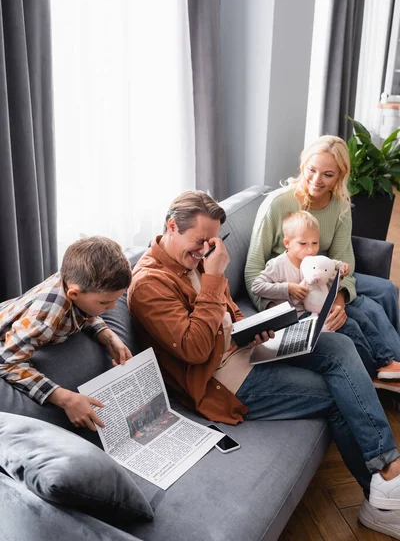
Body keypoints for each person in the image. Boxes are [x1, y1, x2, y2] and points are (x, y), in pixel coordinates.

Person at [128, 190, 400, 538]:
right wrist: (213, 276)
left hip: (245, 349)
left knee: (339, 345)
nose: (203, 251)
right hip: (222, 379)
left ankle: (388, 467)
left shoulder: (193, 258)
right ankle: (378, 499)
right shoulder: (149, 284)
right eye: (198, 241)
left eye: (210, 242)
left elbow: (228, 311)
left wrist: (252, 328)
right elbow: (195, 349)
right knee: (335, 395)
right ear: (171, 227)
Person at [245, 135, 400, 381]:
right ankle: (388, 367)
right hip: (294, 284)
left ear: (340, 175)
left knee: (386, 290)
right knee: (369, 307)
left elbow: (343, 256)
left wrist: (338, 301)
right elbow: (253, 270)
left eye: (328, 174)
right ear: (303, 166)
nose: (317, 180)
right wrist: (276, 308)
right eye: (312, 170)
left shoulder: (339, 205)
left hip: (326, 276)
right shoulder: (277, 204)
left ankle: (394, 367)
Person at [0, 236, 132, 431]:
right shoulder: (44, 320)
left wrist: (108, 335)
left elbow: (85, 311)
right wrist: (65, 398)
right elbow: (7, 362)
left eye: (116, 299)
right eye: (105, 303)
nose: (112, 307)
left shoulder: (77, 283)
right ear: (73, 294)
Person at [251, 210, 400, 380]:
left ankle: (386, 360)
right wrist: (287, 288)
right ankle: (372, 370)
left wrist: (339, 272)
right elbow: (257, 286)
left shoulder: (316, 261)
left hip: (322, 308)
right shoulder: (278, 265)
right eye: (303, 243)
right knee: (349, 326)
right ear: (287, 243)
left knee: (360, 316)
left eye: (315, 243)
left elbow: (330, 272)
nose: (310, 249)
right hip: (300, 317)